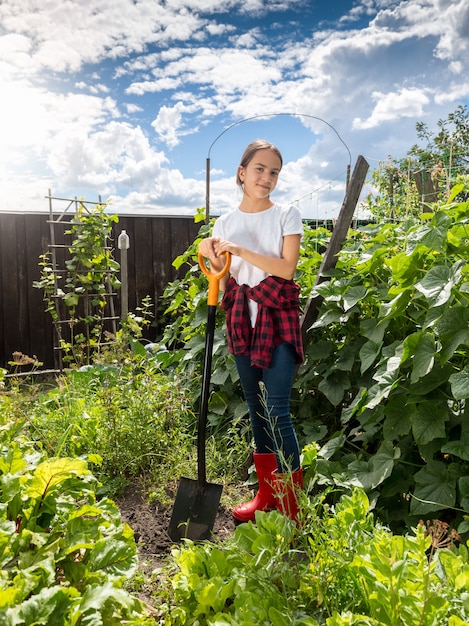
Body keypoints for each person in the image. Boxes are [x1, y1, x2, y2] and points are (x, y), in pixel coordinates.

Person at [198, 139, 304, 523]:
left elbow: (286, 269)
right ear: (242, 172)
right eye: (259, 169)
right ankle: (266, 496)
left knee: (277, 411)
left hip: (278, 319)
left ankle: (293, 508)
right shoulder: (224, 223)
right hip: (243, 320)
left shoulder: (287, 215)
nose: (267, 177)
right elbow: (226, 282)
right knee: (257, 411)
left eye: (274, 171)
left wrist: (240, 251)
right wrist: (211, 259)